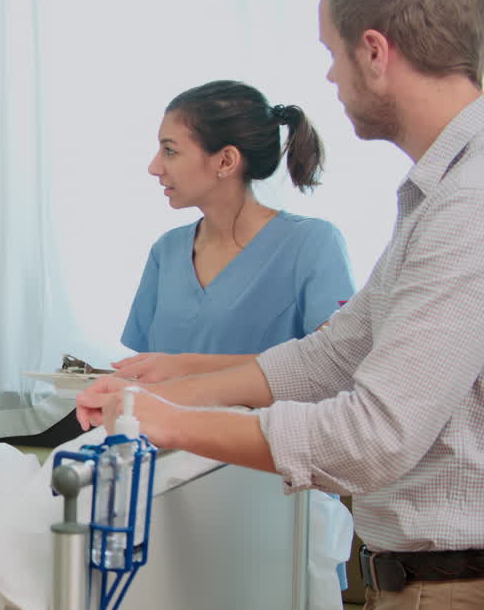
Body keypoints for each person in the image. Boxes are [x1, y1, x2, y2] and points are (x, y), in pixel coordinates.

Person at [76, 0, 484, 610]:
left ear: (376, 53)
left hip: (448, 597)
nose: (328, 77)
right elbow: (332, 353)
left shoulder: (467, 204)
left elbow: (373, 435)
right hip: (419, 586)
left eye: (332, 53)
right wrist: (166, 387)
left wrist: (173, 422)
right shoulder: (436, 197)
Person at [114, 80, 355, 384]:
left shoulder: (312, 244)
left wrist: (188, 368)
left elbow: (333, 366)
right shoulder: (167, 251)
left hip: (261, 430)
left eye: (170, 151)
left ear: (226, 161)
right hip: (162, 429)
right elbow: (148, 369)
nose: (154, 167)